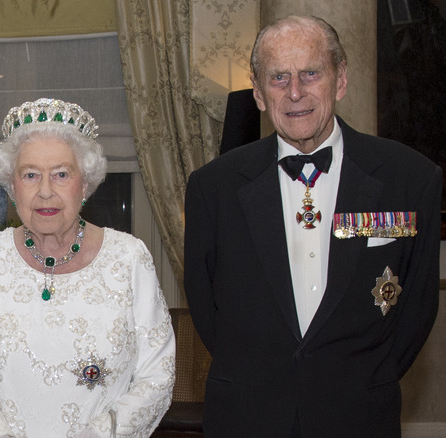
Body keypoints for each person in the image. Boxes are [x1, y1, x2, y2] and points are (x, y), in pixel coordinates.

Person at [183, 15, 442, 437]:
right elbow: (206, 309)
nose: (295, 92)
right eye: (279, 77)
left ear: (340, 80)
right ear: (259, 93)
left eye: (310, 73)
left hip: (359, 415)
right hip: (248, 416)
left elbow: (417, 309)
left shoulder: (409, 179)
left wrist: (356, 378)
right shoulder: (213, 188)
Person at [0, 98, 175, 437]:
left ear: (85, 183)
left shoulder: (129, 257)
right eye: (31, 175)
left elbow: (157, 375)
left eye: (61, 174)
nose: (45, 191)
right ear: (12, 185)